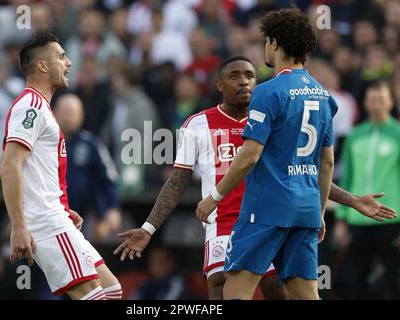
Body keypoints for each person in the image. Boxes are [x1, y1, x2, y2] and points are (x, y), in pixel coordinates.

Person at [114, 56, 396, 300]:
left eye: (249, 75)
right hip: (223, 220)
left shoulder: (272, 118)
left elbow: (306, 172)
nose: (244, 82)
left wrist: (352, 200)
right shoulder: (197, 124)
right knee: (219, 283)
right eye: (234, 76)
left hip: (267, 218)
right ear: (219, 84)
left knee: (277, 289)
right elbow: (177, 181)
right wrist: (148, 229)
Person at [195, 9, 397, 300]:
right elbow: (325, 162)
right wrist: (318, 213)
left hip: (265, 210)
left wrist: (214, 197)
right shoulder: (324, 95)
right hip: (305, 210)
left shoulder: (267, 92)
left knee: (236, 289)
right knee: (304, 293)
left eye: (266, 40)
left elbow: (250, 156)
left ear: (274, 43)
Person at [0, 33, 121, 300]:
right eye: (62, 56)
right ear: (43, 66)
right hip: (46, 221)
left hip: (56, 215)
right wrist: (19, 226)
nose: (69, 63)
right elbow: (9, 167)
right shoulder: (31, 106)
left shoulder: (41, 107)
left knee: (111, 290)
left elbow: (34, 170)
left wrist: (64, 207)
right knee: (95, 297)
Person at [334, 80, 400, 299]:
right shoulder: (355, 135)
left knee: (393, 278)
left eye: (381, 99)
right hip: (358, 218)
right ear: (365, 103)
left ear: (391, 102)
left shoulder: (397, 133)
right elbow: (347, 176)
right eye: (372, 99)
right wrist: (342, 218)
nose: (376, 104)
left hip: (391, 218)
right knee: (357, 278)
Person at [54, 93, 121, 242]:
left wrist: (112, 208)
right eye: (64, 112)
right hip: (49, 214)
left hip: (86, 216)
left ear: (81, 116)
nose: (68, 117)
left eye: (72, 113)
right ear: (54, 114)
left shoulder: (91, 144)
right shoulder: (44, 144)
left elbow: (109, 178)